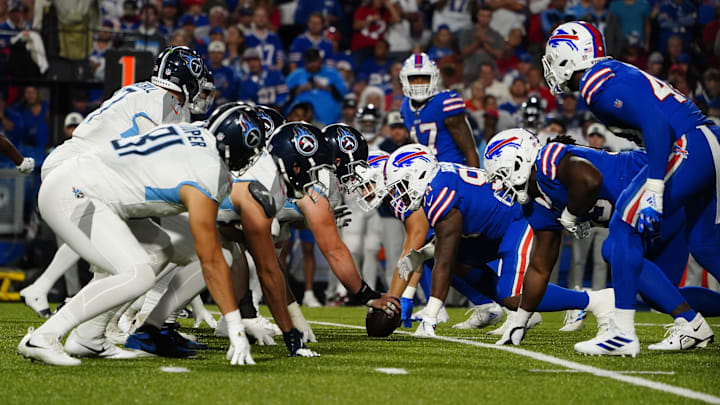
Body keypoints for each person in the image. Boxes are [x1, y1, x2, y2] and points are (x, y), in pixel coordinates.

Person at [16, 108, 262, 366]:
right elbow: (210, 259)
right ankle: (44, 336)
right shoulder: (209, 171)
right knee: (137, 273)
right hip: (76, 193)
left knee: (160, 250)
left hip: (86, 185)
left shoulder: (197, 132)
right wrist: (236, 327)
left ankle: (89, 337)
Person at [542, 21, 720, 355]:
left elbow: (656, 123)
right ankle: (691, 324)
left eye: (553, 57)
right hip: (707, 143)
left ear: (568, 55)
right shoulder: (608, 74)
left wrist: (653, 186)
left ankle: (622, 334)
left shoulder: (597, 83)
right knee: (706, 246)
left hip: (689, 144)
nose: (550, 66)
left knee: (623, 230)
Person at [19, 47, 207, 318]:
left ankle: (118, 322)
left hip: (92, 172)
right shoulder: (162, 101)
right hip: (78, 171)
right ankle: (91, 321)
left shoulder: (154, 95)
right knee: (129, 258)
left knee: (155, 249)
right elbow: (155, 157)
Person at [383, 144, 614, 338]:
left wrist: (430, 318)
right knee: (452, 261)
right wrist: (422, 255)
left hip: (518, 221)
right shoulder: (439, 179)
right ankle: (505, 309)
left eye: (401, 185)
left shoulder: (439, 191)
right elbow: (447, 243)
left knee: (511, 296)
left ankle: (590, 300)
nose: (399, 195)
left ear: (419, 174)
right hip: (496, 228)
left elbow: (446, 250)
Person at [399, 53, 479, 167]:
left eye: (424, 78)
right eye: (414, 79)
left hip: (452, 171)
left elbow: (469, 149)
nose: (419, 84)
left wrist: (472, 181)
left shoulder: (445, 102)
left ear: (434, 78)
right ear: (404, 79)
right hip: (424, 174)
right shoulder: (405, 105)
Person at [286, 48, 346, 126]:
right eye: (309, 61)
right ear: (305, 62)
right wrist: (299, 89)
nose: (312, 64)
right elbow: (285, 99)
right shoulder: (296, 75)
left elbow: (342, 96)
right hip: (300, 123)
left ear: (320, 60)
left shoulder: (332, 73)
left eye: (314, 61)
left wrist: (328, 88)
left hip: (329, 122)